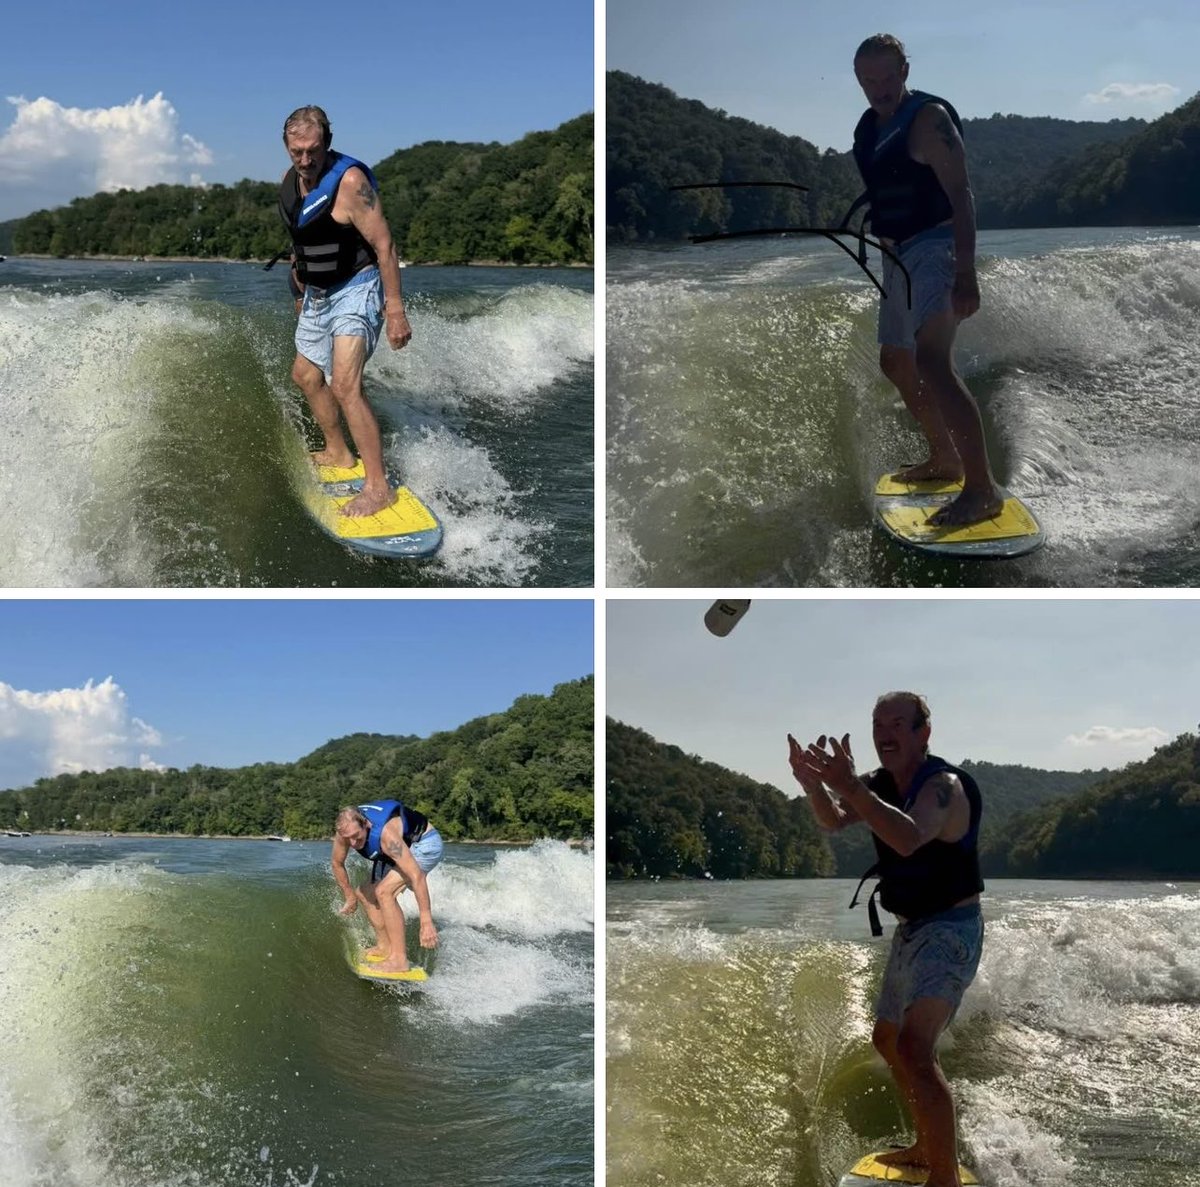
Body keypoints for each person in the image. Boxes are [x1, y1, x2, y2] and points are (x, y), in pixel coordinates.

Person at [787, 692, 984, 1187]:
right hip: (911, 929)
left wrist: (849, 784)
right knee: (888, 1040)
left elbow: (908, 838)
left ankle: (945, 1180)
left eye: (898, 723)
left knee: (917, 1049)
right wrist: (815, 787)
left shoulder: (942, 787)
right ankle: (924, 1146)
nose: (884, 733)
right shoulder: (878, 784)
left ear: (924, 733)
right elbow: (833, 821)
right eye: (878, 724)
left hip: (950, 930)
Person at [852, 35, 1003, 528]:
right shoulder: (869, 128)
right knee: (895, 360)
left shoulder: (929, 119)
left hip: (937, 249)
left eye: (887, 77)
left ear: (904, 72)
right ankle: (945, 458)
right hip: (898, 257)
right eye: (868, 80)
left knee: (934, 361)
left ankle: (982, 491)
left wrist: (966, 272)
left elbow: (962, 194)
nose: (879, 89)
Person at [278, 105, 412, 517]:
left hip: (358, 287)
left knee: (345, 386)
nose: (305, 160)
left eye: (313, 150)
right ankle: (338, 452)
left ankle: (378, 487)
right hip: (318, 294)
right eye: (296, 151)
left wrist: (395, 311)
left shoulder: (351, 183)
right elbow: (301, 246)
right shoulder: (291, 183)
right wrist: (298, 292)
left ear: (328, 144)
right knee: (305, 375)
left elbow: (385, 247)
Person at [331, 799, 443, 975]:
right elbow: (337, 863)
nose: (352, 843)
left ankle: (399, 960)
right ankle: (385, 947)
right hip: (402, 846)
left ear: (366, 824)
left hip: (424, 844)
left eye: (356, 836)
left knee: (384, 892)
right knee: (364, 893)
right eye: (348, 839)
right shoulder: (345, 831)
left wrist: (426, 921)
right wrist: (350, 896)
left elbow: (416, 876)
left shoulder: (387, 836)